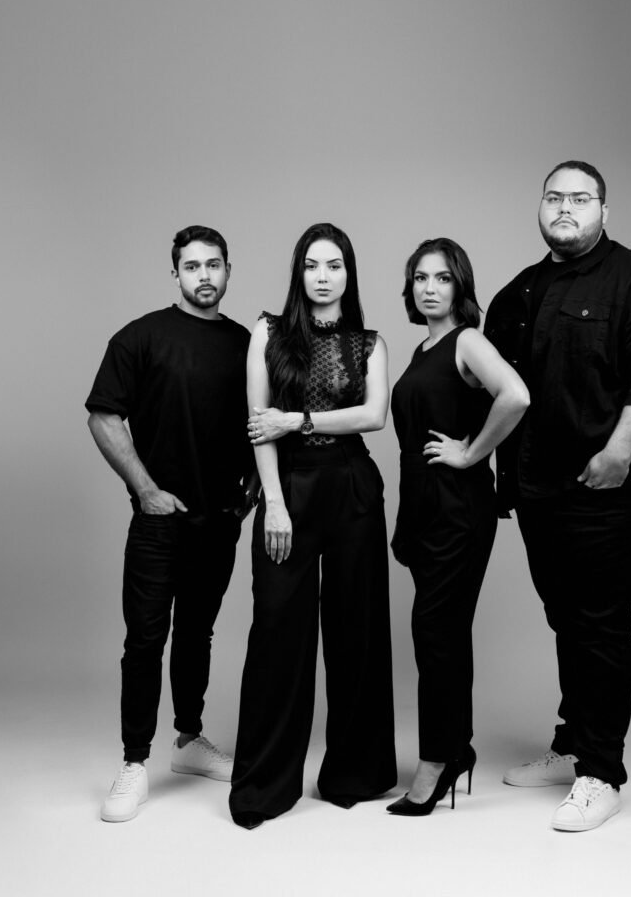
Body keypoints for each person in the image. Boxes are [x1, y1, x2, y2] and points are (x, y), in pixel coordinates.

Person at [484, 160, 631, 832]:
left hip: (609, 485)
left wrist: (619, 453)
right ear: (540, 208)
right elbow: (494, 388)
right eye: (554, 197)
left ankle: (601, 772)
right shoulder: (517, 292)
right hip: (537, 488)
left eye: (581, 197)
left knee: (600, 623)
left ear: (605, 210)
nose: (565, 207)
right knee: (565, 617)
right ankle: (574, 741)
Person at [86, 225, 257, 823]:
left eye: (214, 265)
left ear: (228, 270)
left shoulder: (245, 343)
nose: (204, 275)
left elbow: (260, 419)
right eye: (192, 266)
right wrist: (146, 490)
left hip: (219, 521)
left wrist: (253, 488)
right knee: (145, 640)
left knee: (197, 634)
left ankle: (188, 740)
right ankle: (134, 763)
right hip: (159, 523)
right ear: (176, 273)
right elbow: (103, 416)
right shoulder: (140, 337)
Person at [229, 223, 397, 829]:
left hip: (352, 486)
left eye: (334, 265)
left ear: (349, 274)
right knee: (278, 632)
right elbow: (259, 425)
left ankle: (355, 773)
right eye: (312, 265)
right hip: (290, 488)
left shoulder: (370, 343)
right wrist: (273, 503)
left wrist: (296, 419)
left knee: (358, 631)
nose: (323, 277)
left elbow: (374, 417)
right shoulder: (268, 332)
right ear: (298, 272)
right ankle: (265, 786)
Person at [386, 239, 529, 817]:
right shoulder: (424, 349)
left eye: (442, 278)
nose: (429, 288)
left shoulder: (467, 341)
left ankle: (437, 761)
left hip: (457, 509)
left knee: (435, 633)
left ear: (460, 287)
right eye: (420, 277)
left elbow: (515, 396)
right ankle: (455, 748)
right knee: (442, 636)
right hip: (425, 510)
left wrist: (471, 453)